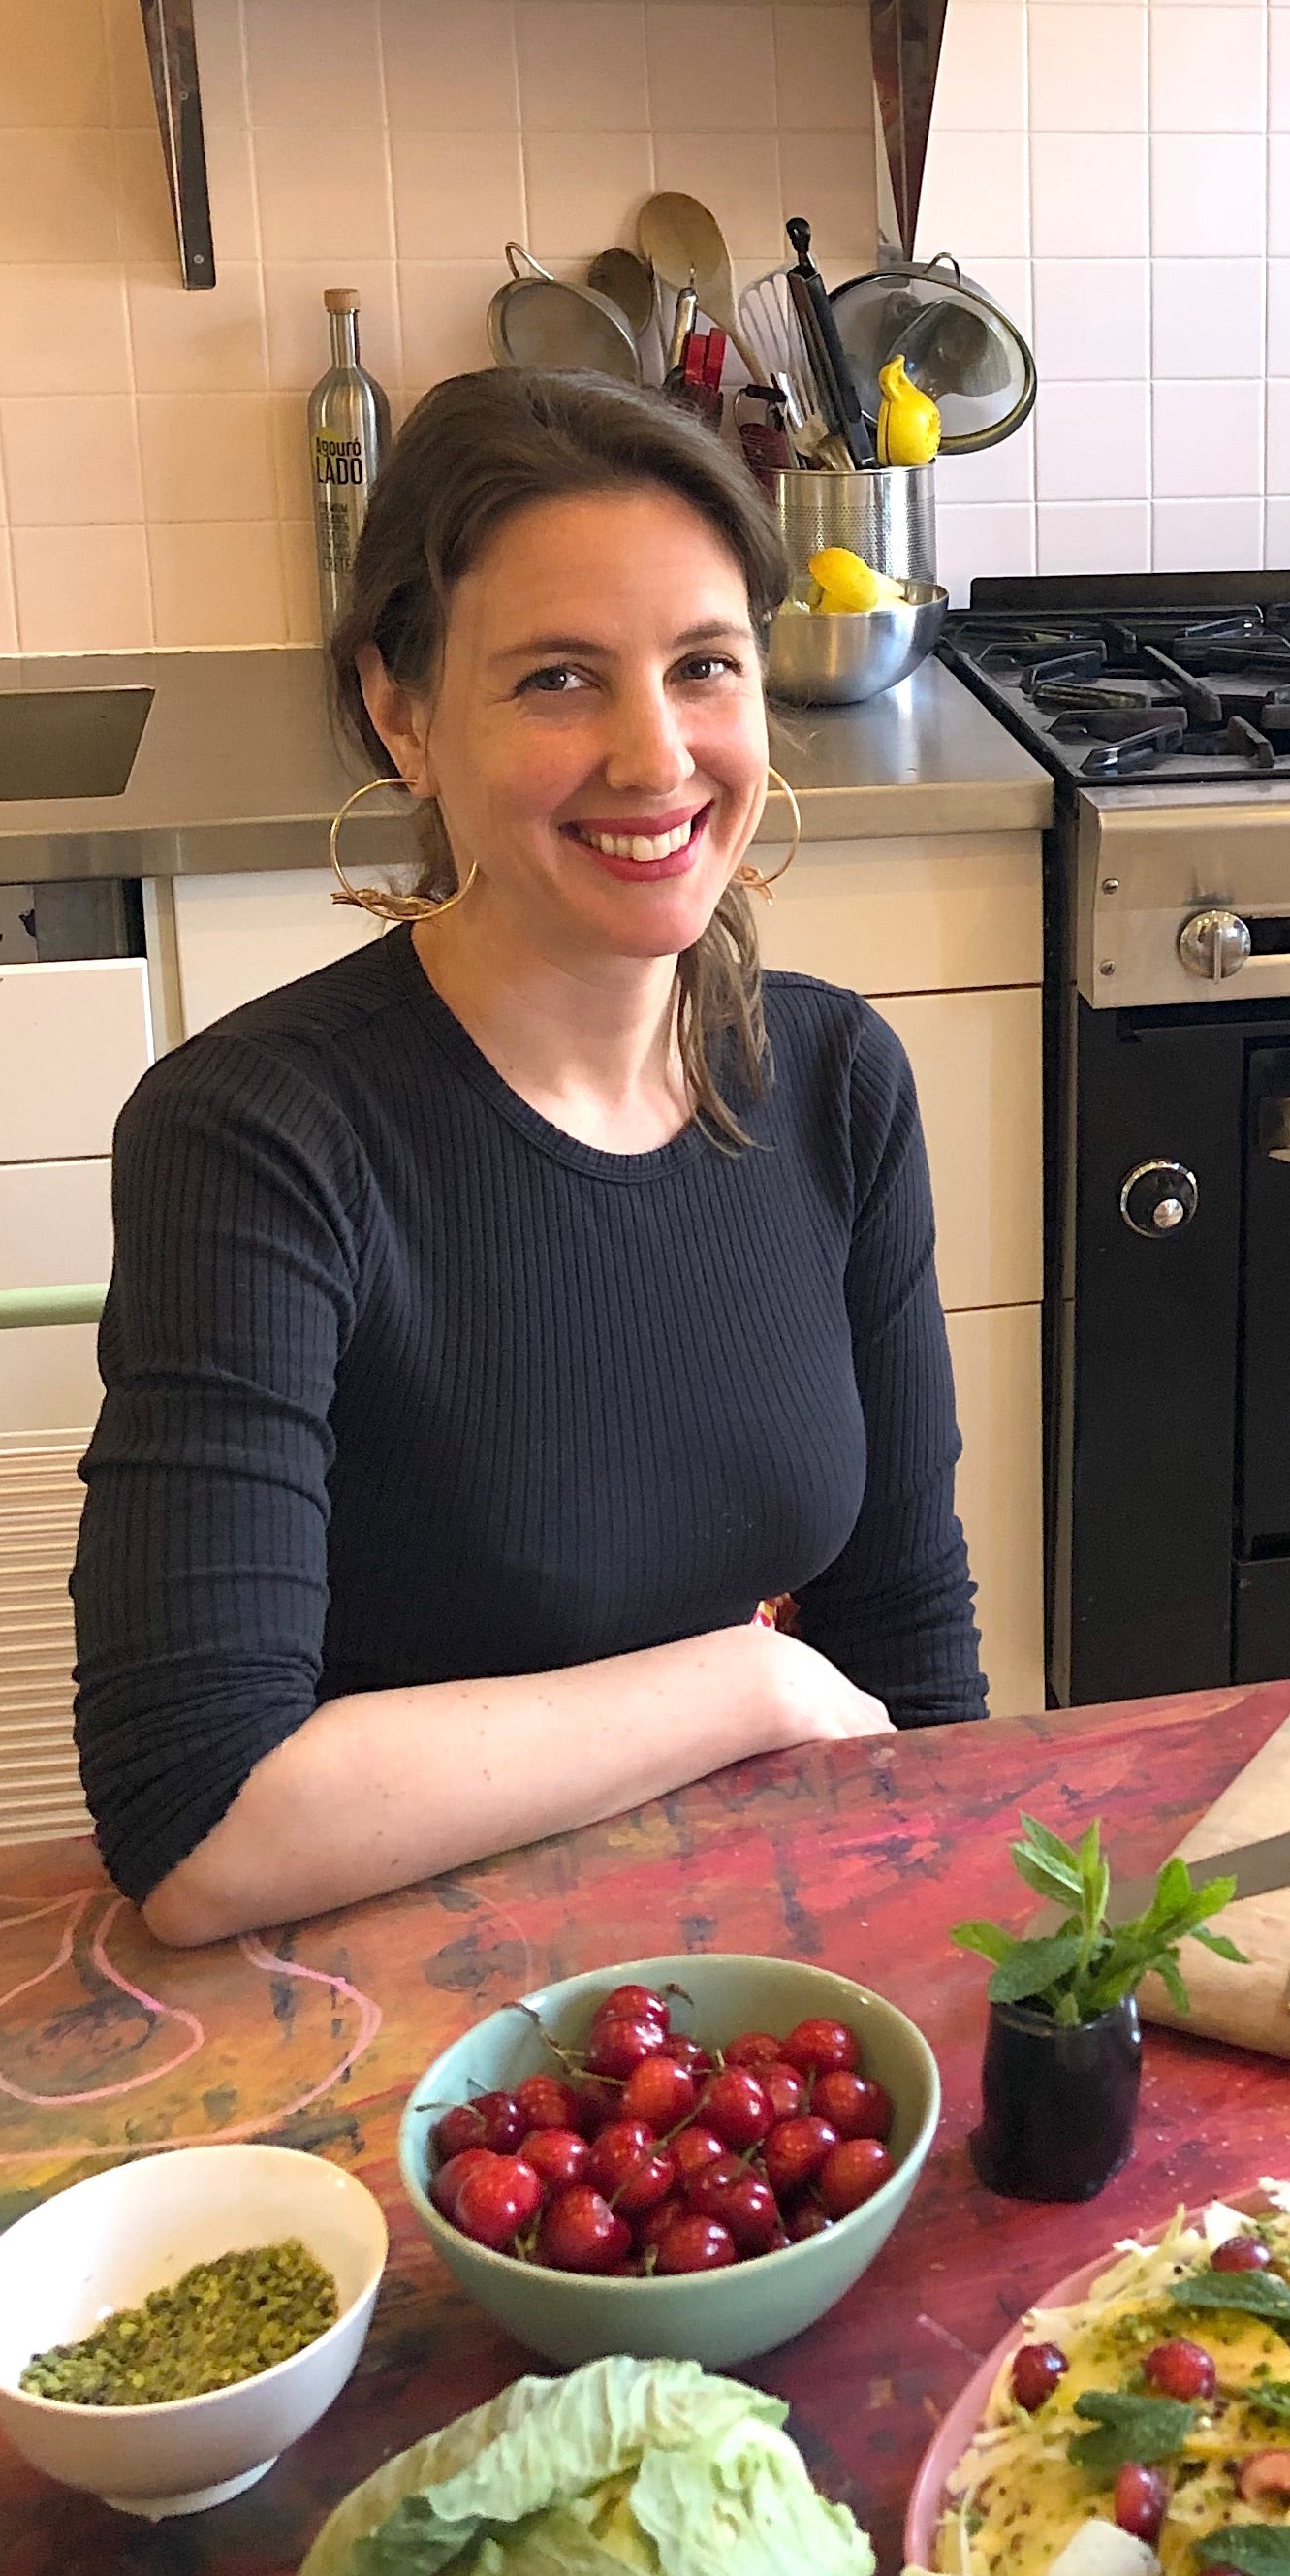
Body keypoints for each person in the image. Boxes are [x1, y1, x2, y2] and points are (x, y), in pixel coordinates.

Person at [74, 369, 985, 1947]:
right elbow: (200, 1823)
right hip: (391, 1992)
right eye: (559, 679)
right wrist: (747, 1678)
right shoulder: (257, 1135)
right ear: (401, 711)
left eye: (704, 665)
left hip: (749, 1986)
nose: (656, 756)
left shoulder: (834, 1082)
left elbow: (910, 1653)